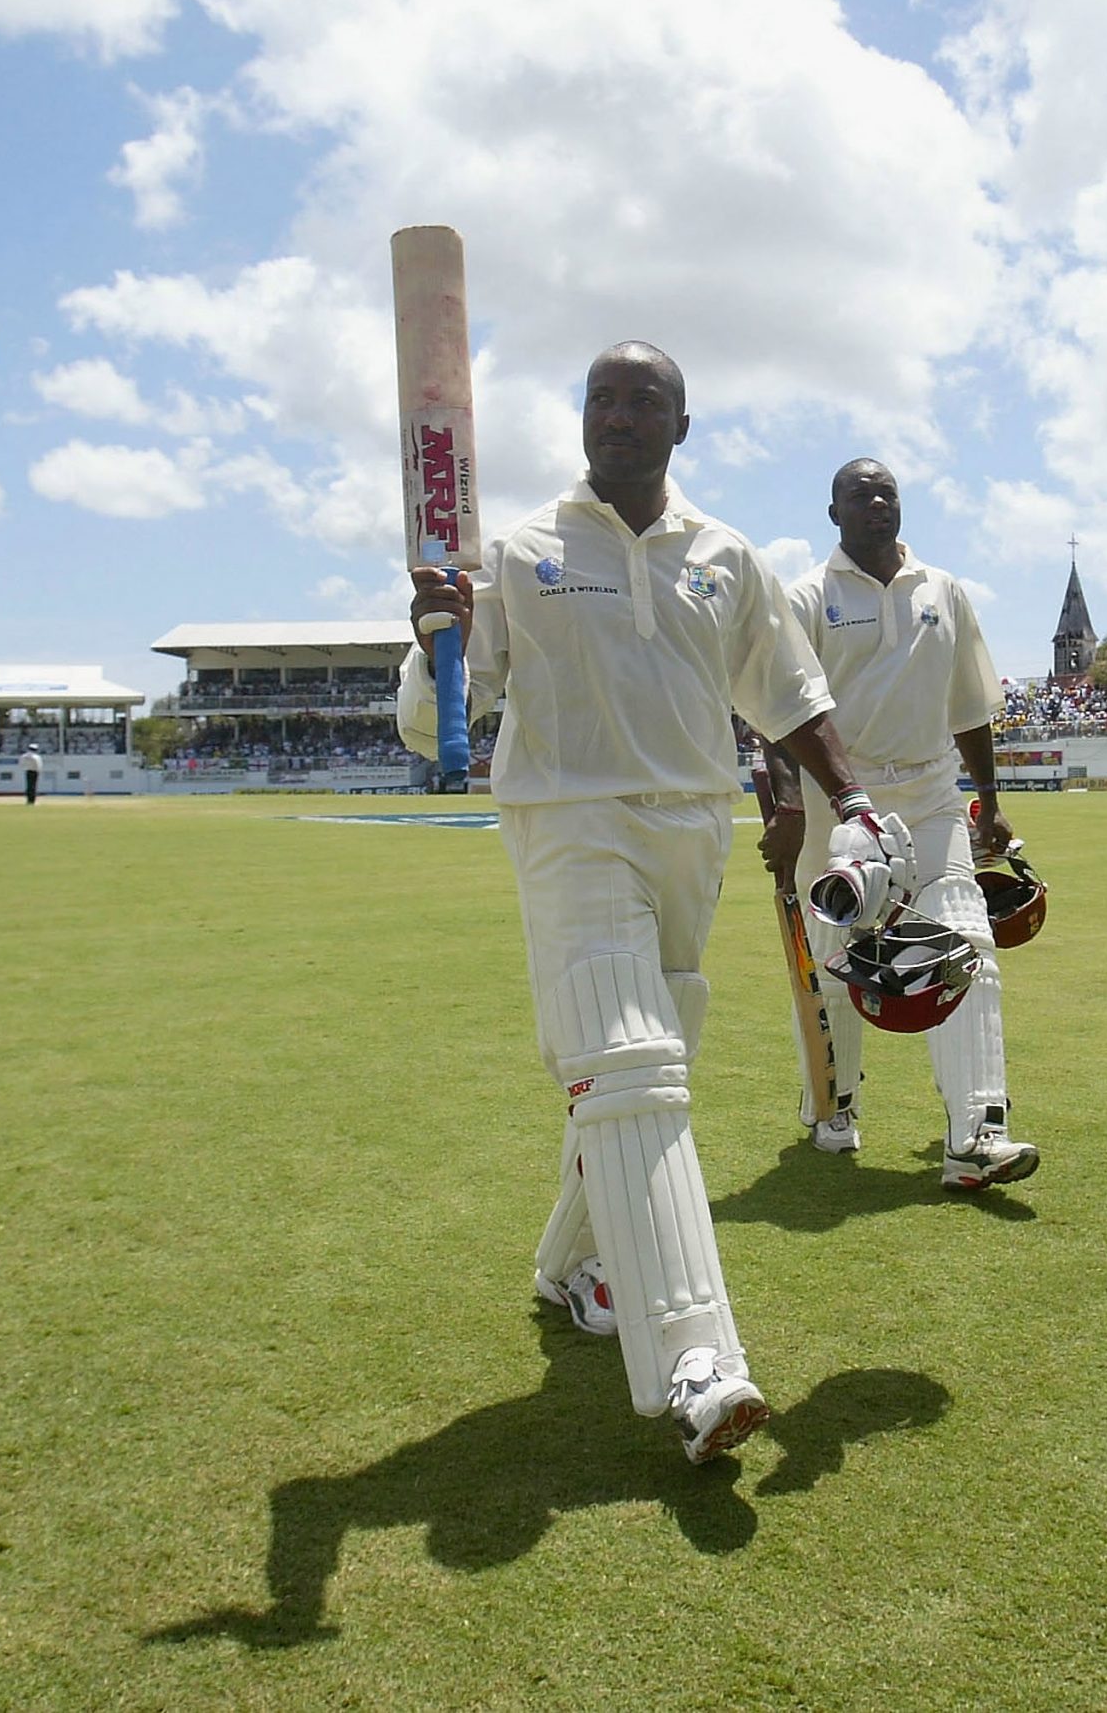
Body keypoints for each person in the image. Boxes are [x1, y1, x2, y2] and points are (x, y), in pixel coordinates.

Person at [398, 341, 906, 1465]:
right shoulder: (520, 552)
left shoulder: (723, 556)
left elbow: (788, 694)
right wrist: (432, 631)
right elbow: (433, 715)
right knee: (631, 1062)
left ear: (682, 424)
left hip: (689, 826)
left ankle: (568, 1263)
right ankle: (697, 1360)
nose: (617, 416)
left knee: (658, 1046)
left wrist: (856, 800)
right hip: (568, 822)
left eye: (644, 402)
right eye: (601, 399)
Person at [759, 457, 1036, 1188]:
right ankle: (833, 1101)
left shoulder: (943, 592)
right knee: (837, 958)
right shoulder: (807, 596)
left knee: (967, 939)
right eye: (860, 493)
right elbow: (777, 712)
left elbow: (970, 706)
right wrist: (788, 805)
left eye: (887, 492)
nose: (877, 503)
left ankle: (977, 1132)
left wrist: (992, 799)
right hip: (838, 802)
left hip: (932, 793)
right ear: (834, 512)